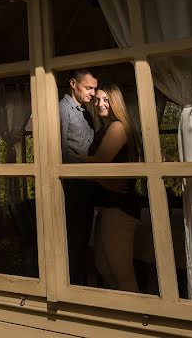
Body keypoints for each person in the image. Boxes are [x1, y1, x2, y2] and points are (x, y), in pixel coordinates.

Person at [87, 83, 144, 292]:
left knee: (122, 274)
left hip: (119, 208)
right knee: (104, 267)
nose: (100, 104)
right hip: (107, 206)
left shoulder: (118, 127)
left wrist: (67, 159)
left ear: (116, 103)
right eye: (97, 100)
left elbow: (99, 163)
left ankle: (139, 319)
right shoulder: (107, 128)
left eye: (106, 100)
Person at [59, 69, 97, 285]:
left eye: (94, 88)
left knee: (83, 242)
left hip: (86, 186)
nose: (92, 93)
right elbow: (58, 153)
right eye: (88, 88)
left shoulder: (84, 112)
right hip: (72, 188)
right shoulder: (62, 110)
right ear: (73, 83)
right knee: (73, 243)